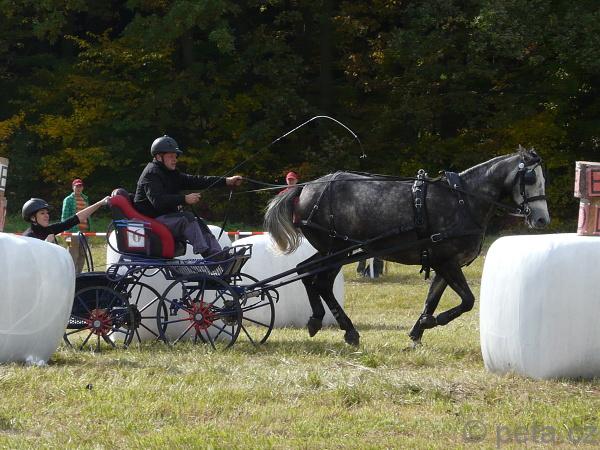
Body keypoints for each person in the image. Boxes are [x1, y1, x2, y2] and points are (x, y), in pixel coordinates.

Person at [133, 135, 243, 258]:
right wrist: (184, 199)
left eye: (175, 156)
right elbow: (158, 201)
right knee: (186, 219)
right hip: (149, 221)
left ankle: (218, 255)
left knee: (197, 221)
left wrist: (226, 181)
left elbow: (196, 180)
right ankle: (211, 257)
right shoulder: (151, 173)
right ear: (159, 157)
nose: (175, 160)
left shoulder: (170, 173)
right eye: (171, 156)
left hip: (163, 219)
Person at [22, 196, 108, 242]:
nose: (47, 215)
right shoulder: (28, 237)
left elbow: (75, 219)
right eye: (42, 213)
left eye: (47, 213)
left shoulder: (50, 229)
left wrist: (100, 203)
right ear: (33, 218)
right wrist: (46, 244)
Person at [61, 178, 91, 273]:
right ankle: (70, 274)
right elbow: (64, 216)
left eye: (80, 186)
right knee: (72, 254)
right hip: (71, 232)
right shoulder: (68, 200)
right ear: (73, 187)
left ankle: (79, 274)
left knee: (82, 254)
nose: (78, 188)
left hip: (85, 232)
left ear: (82, 188)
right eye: (76, 186)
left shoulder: (85, 199)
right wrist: (65, 231)